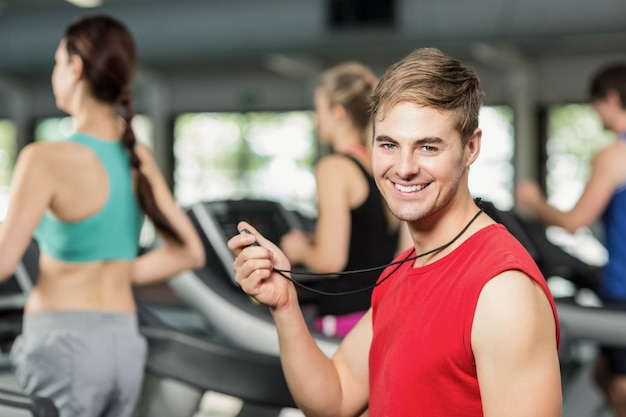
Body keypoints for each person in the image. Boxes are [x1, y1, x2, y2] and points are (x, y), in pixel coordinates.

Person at [228, 47, 562, 416]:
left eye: (428, 147)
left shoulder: (501, 291)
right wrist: (285, 304)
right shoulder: (403, 270)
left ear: (470, 148)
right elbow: (335, 397)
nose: (403, 168)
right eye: (388, 144)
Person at [0, 14, 205, 417]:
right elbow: (190, 252)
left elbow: (3, 261)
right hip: (123, 344)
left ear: (75, 67)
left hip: (64, 343)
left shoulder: (44, 158)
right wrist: (112, 270)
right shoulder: (136, 155)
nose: (55, 73)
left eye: (59, 62)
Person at [516, 62, 626, 416]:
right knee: (602, 373)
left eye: (596, 105)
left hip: (622, 291)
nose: (596, 113)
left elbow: (574, 222)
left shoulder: (614, 156)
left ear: (610, 99)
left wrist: (534, 202)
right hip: (615, 286)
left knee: (620, 383)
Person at [279, 62, 410, 337]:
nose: (316, 119)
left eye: (319, 110)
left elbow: (330, 262)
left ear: (338, 114)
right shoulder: (380, 165)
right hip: (379, 316)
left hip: (343, 322)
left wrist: (299, 248)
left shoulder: (334, 168)